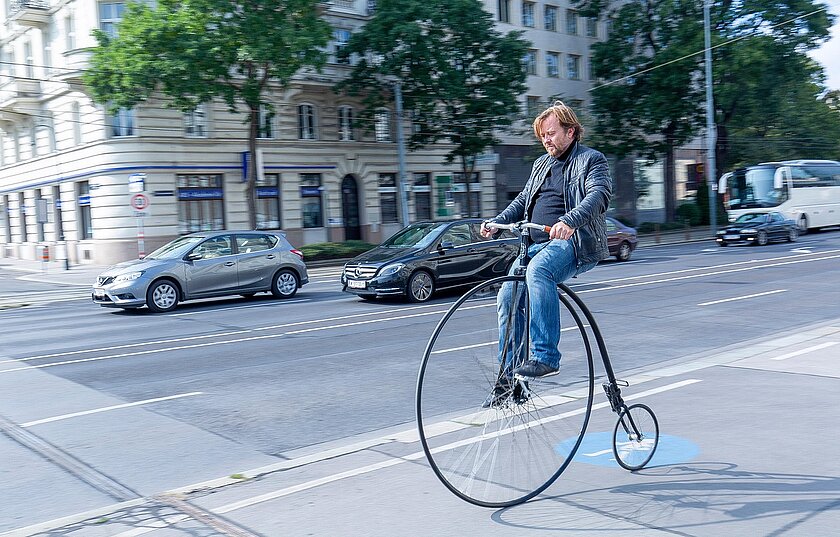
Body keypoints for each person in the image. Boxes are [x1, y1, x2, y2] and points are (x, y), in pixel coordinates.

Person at [480, 100, 612, 407]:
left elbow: (599, 196)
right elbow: (523, 200)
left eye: (551, 133)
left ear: (570, 131)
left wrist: (570, 221)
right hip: (533, 245)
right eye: (542, 136)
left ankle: (546, 355)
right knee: (508, 298)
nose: (547, 140)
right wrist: (499, 222)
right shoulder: (541, 164)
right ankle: (509, 379)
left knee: (539, 271)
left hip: (573, 243)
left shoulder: (592, 160)